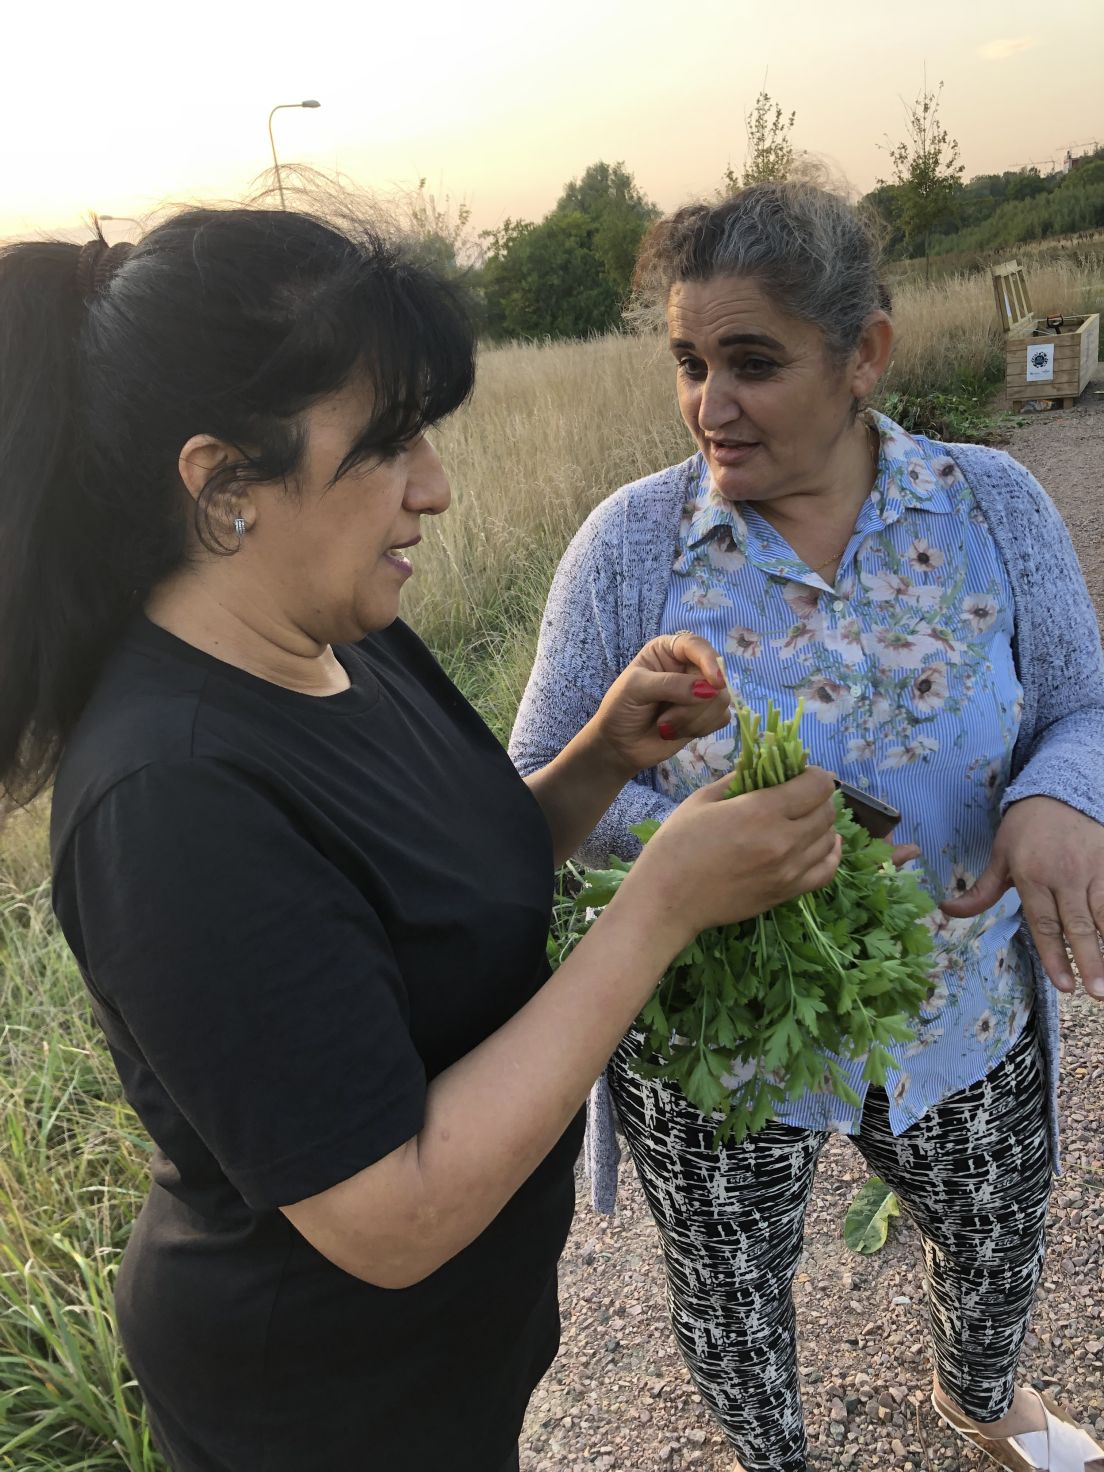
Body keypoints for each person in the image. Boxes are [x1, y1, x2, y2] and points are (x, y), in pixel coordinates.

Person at [0, 210, 845, 1472]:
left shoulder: (341, 633)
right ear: (222, 481)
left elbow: (452, 878)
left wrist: (601, 757)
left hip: (448, 1359)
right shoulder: (171, 797)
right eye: (388, 444)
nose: (435, 484)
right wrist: (658, 905)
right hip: (323, 1407)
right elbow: (386, 1211)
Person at [511, 183, 1104, 1472]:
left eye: (753, 362)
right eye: (689, 363)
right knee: (730, 1300)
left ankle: (985, 1393)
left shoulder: (990, 507)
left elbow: (1084, 703)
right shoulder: (630, 549)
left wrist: (1063, 793)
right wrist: (682, 847)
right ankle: (771, 1454)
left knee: (1001, 1227)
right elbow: (533, 811)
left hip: (959, 1010)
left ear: (866, 355)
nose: (710, 406)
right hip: (721, 1054)